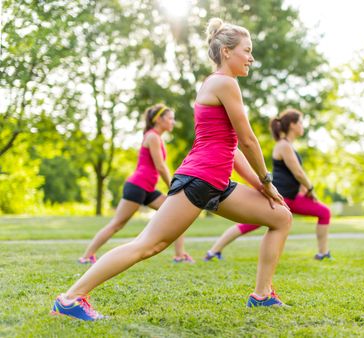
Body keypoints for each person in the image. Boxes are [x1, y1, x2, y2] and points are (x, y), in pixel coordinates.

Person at [51, 17, 292, 321]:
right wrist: (267, 180)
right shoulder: (224, 83)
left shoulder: (217, 84)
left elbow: (231, 150)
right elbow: (247, 140)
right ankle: (71, 298)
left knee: (281, 217)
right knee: (149, 245)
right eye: (247, 50)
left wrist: (260, 185)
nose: (251, 57)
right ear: (227, 52)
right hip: (199, 179)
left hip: (215, 181)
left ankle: (262, 295)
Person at [204, 109, 332, 262]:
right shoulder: (283, 145)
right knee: (248, 224)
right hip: (277, 197)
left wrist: (304, 190)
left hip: (292, 198)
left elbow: (293, 175)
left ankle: (323, 253)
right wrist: (311, 189)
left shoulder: (288, 146)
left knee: (324, 212)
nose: (302, 126)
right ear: (292, 125)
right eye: (300, 122)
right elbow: (298, 172)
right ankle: (213, 252)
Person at [77, 104, 194, 265]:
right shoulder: (152, 136)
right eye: (170, 118)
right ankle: (87, 256)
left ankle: (180, 255)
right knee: (117, 224)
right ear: (159, 119)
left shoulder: (156, 137)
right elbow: (160, 166)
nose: (173, 122)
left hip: (148, 189)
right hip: (137, 186)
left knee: (178, 216)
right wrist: (174, 186)